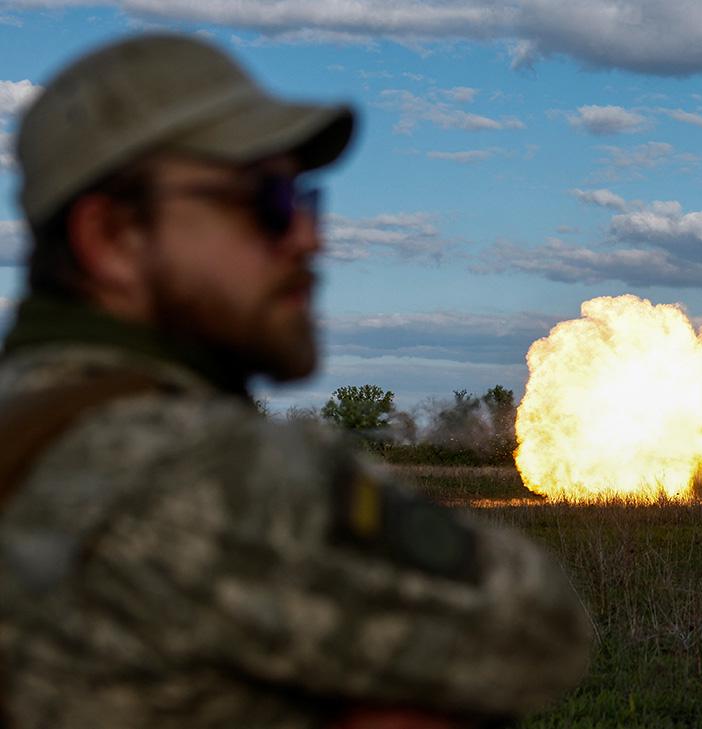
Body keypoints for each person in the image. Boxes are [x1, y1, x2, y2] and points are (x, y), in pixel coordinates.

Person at [0, 34, 592, 729]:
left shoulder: (28, 427)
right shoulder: (201, 468)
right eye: (267, 200)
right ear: (112, 237)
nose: (308, 237)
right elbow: (539, 626)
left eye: (308, 200)